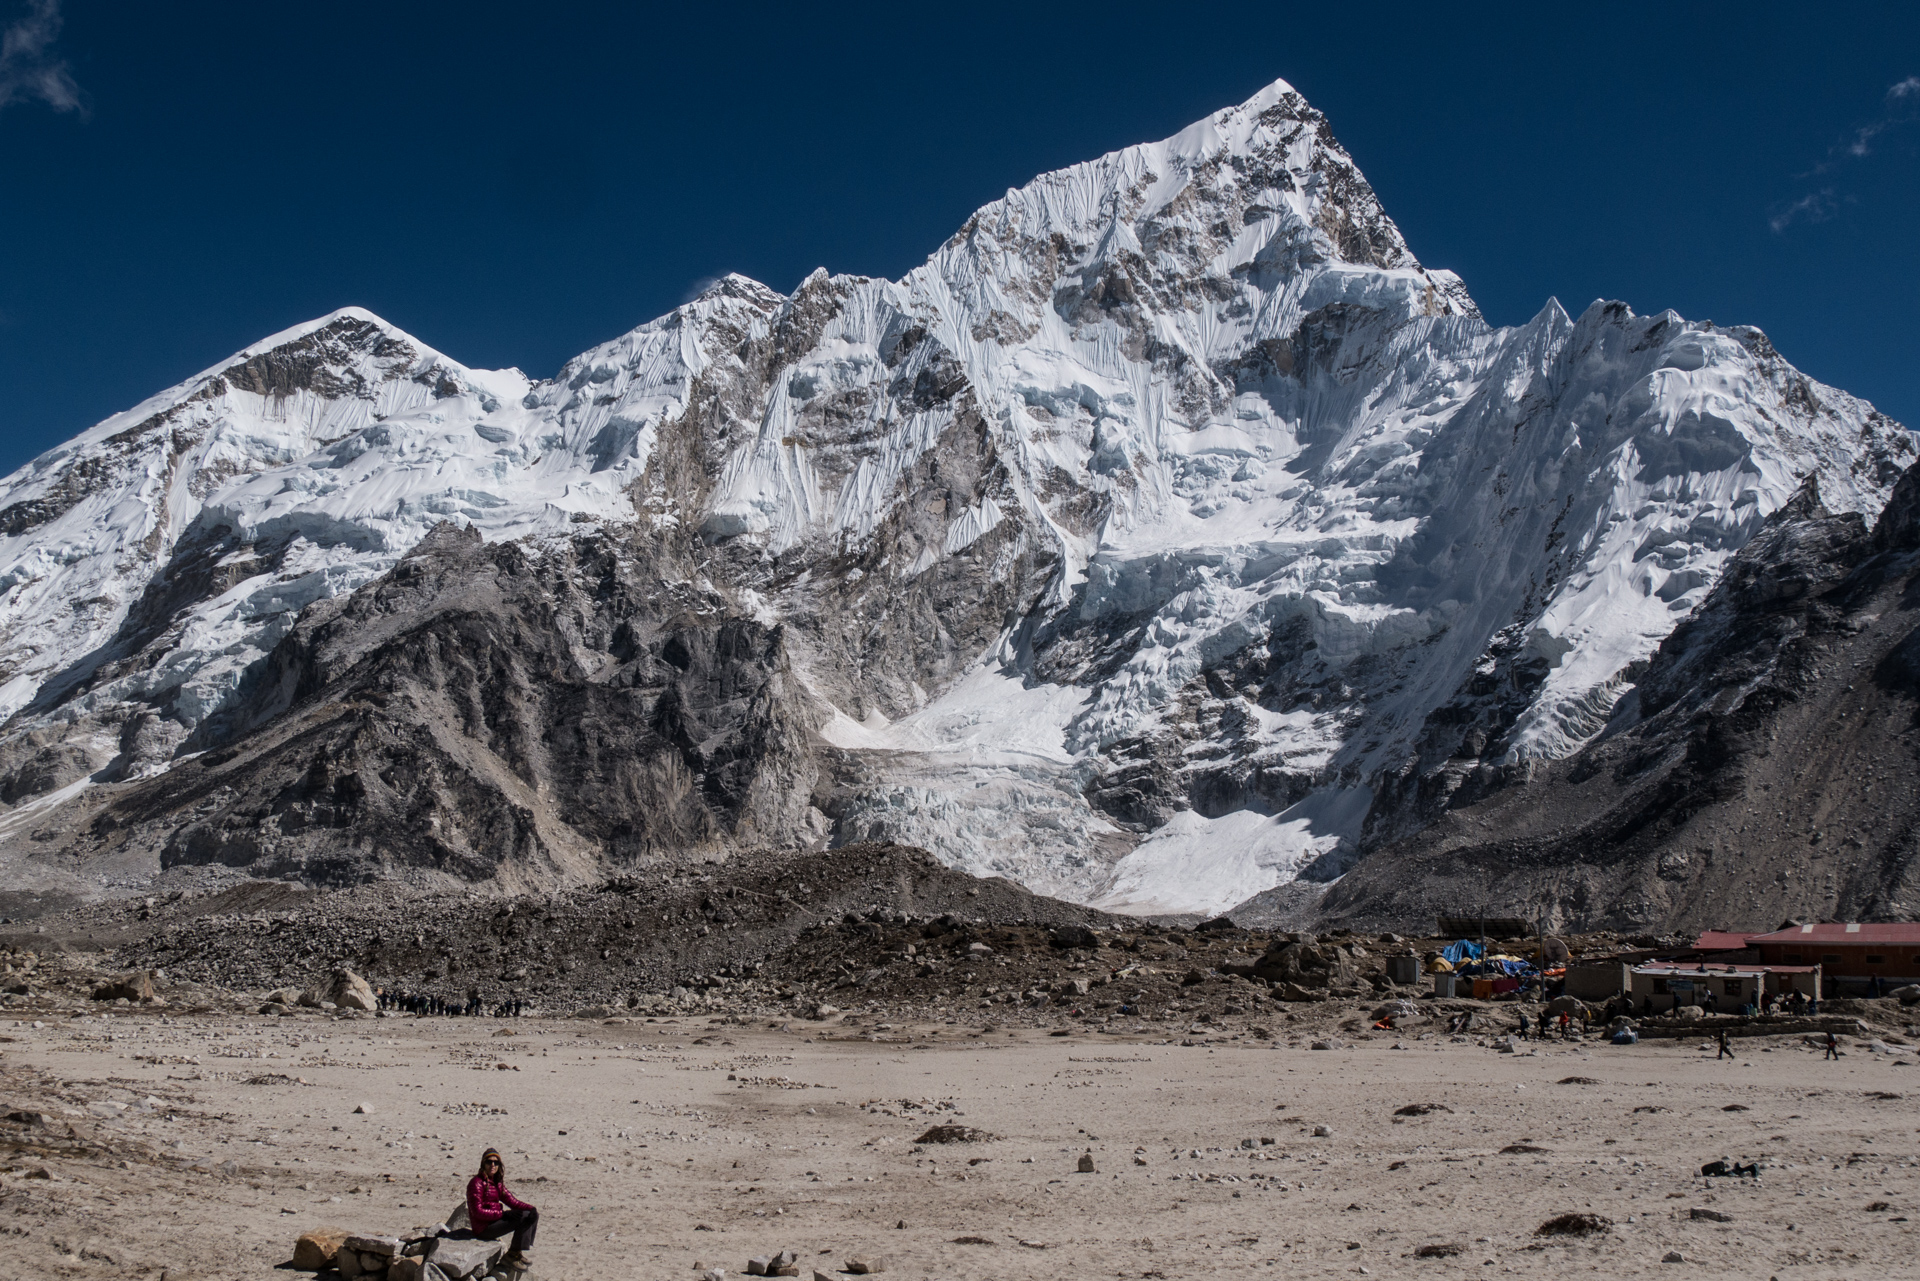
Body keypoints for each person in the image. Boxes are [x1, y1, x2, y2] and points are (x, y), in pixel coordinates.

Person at [468, 1148, 538, 1271]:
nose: (493, 1165)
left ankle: (516, 1252)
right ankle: (511, 1256)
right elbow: (477, 1212)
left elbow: (512, 1201)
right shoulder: (476, 1183)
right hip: (483, 1228)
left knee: (529, 1214)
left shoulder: (496, 1183)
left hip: (494, 1222)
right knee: (522, 1217)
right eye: (489, 1162)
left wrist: (531, 1208)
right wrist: (503, 1215)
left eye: (496, 1162)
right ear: (483, 1164)